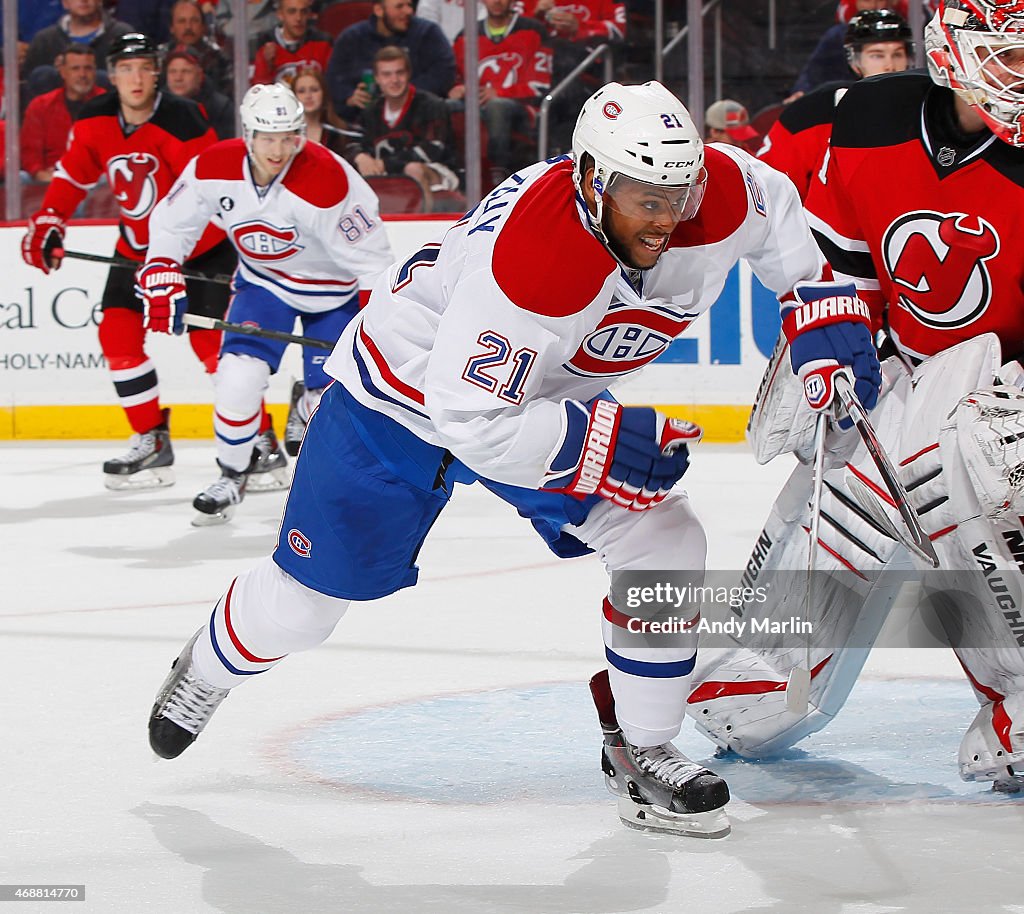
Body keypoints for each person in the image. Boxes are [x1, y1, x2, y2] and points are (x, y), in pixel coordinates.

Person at [145, 80, 874, 838]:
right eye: (641, 198)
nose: (663, 218)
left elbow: (781, 215)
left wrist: (819, 306)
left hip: (531, 396)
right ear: (590, 180)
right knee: (304, 608)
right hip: (402, 403)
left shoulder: (717, 190)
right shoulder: (532, 258)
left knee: (665, 538)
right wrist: (605, 445)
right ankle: (208, 667)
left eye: (676, 193)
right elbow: (472, 418)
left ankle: (645, 745)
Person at [688, 0, 1024, 794]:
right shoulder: (871, 116)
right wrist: (831, 332)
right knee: (846, 499)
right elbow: (838, 264)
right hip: (907, 369)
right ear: (952, 53)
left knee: (963, 470)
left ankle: (1014, 695)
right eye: (1010, 56)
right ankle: (766, 673)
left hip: (1007, 380)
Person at [141, 82, 394, 524]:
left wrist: (378, 323)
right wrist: (162, 266)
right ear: (248, 133)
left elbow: (374, 262)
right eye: (267, 137)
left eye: (288, 137)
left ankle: (325, 488)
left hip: (332, 294)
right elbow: (172, 222)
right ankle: (232, 475)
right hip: (264, 286)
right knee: (237, 382)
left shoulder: (328, 180)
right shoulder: (214, 167)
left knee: (327, 406)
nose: (278, 150)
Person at [19, 33, 245, 491]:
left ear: (157, 71)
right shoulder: (94, 118)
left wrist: (174, 258)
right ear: (112, 74)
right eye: (126, 68)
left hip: (199, 250)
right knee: (117, 334)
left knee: (213, 351)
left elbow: (208, 191)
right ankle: (150, 436)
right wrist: (50, 217)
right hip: (135, 250)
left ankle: (256, 440)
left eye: (144, 67)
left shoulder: (182, 118)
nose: (136, 78)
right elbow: (74, 171)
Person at [759, 9, 913, 201]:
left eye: (898, 54)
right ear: (855, 61)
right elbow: (769, 191)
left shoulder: (926, 112)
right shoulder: (814, 114)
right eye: (877, 55)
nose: (890, 66)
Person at [449, 0, 552, 183]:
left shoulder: (533, 31)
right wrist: (457, 89)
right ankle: (456, 173)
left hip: (523, 111)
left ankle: (498, 177)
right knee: (449, 107)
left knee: (497, 106)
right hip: (478, 107)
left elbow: (541, 85)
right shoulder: (466, 36)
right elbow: (455, 80)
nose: (496, 1)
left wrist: (501, 93)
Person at [349, 46, 459, 213]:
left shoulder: (431, 105)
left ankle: (421, 228)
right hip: (387, 174)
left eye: (399, 73)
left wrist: (386, 163)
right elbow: (352, 142)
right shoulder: (371, 111)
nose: (394, 80)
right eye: (387, 75)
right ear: (377, 78)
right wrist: (360, 156)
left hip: (436, 173)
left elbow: (432, 150)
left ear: (408, 74)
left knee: (412, 169)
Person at [325, 0, 456, 122]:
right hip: (363, 121)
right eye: (400, 6)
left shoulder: (427, 33)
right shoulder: (351, 38)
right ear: (379, 10)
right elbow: (334, 78)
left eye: (409, 5)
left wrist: (402, 95)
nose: (408, 11)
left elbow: (444, 72)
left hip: (421, 118)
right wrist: (348, 96)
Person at [20, 45, 104, 185]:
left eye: (88, 68)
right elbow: (30, 154)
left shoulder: (108, 104)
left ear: (95, 72)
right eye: (75, 69)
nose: (82, 75)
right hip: (49, 180)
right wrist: (40, 174)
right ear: (63, 72)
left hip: (95, 181)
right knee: (19, 179)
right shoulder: (40, 106)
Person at [789, 0, 904, 100]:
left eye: (880, 0)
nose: (874, 6)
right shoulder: (838, 35)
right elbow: (813, 74)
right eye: (867, 0)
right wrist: (802, 92)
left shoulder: (903, 31)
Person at [22, 0, 134, 101]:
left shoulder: (123, 36)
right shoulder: (45, 40)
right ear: (64, 2)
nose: (83, 1)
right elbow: (28, 88)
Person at [157, 0, 232, 96]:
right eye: (181, 21)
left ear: (203, 26)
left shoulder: (220, 58)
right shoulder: (160, 57)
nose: (188, 27)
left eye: (194, 21)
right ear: (172, 27)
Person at [251, 0, 333, 86]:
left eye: (303, 11)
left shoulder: (323, 43)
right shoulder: (265, 44)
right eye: (292, 12)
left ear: (309, 14)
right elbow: (258, 92)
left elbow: (332, 86)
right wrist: (266, 64)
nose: (298, 18)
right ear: (280, 14)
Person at [163, 44, 234, 139]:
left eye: (186, 71)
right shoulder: (156, 106)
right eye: (173, 71)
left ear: (200, 75)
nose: (178, 78)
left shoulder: (221, 108)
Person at [291, 65, 356, 158]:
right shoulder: (286, 135)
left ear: (324, 94)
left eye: (314, 90)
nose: (308, 96)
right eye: (301, 91)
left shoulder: (340, 134)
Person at [416, 0, 484, 44]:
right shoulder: (429, 2)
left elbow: (485, 22)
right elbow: (428, 29)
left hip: (478, 47)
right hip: (441, 52)